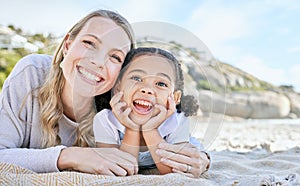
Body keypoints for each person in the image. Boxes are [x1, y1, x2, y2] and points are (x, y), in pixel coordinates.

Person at [0, 9, 209, 178]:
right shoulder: (32, 73)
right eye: (89, 43)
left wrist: (203, 158)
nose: (98, 62)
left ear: (121, 77)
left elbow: (175, 136)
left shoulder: (118, 106)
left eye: (115, 57)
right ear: (67, 45)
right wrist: (71, 156)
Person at [93, 47, 210, 177]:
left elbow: (171, 171)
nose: (147, 89)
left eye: (161, 83)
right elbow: (121, 169)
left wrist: (150, 129)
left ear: (175, 98)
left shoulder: (178, 121)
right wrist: (132, 128)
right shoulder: (105, 120)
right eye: (137, 78)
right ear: (118, 87)